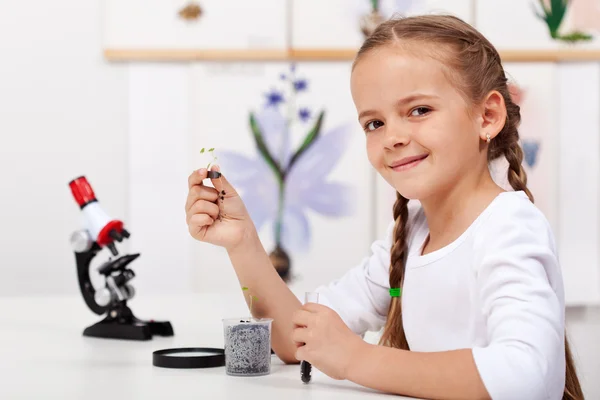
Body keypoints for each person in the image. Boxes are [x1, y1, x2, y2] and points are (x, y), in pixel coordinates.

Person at [185, 14, 583, 400]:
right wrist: (242, 243)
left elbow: (525, 378)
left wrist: (358, 359)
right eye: (374, 123)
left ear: (488, 115)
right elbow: (296, 339)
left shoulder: (509, 228)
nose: (392, 136)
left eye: (419, 110)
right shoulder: (411, 233)